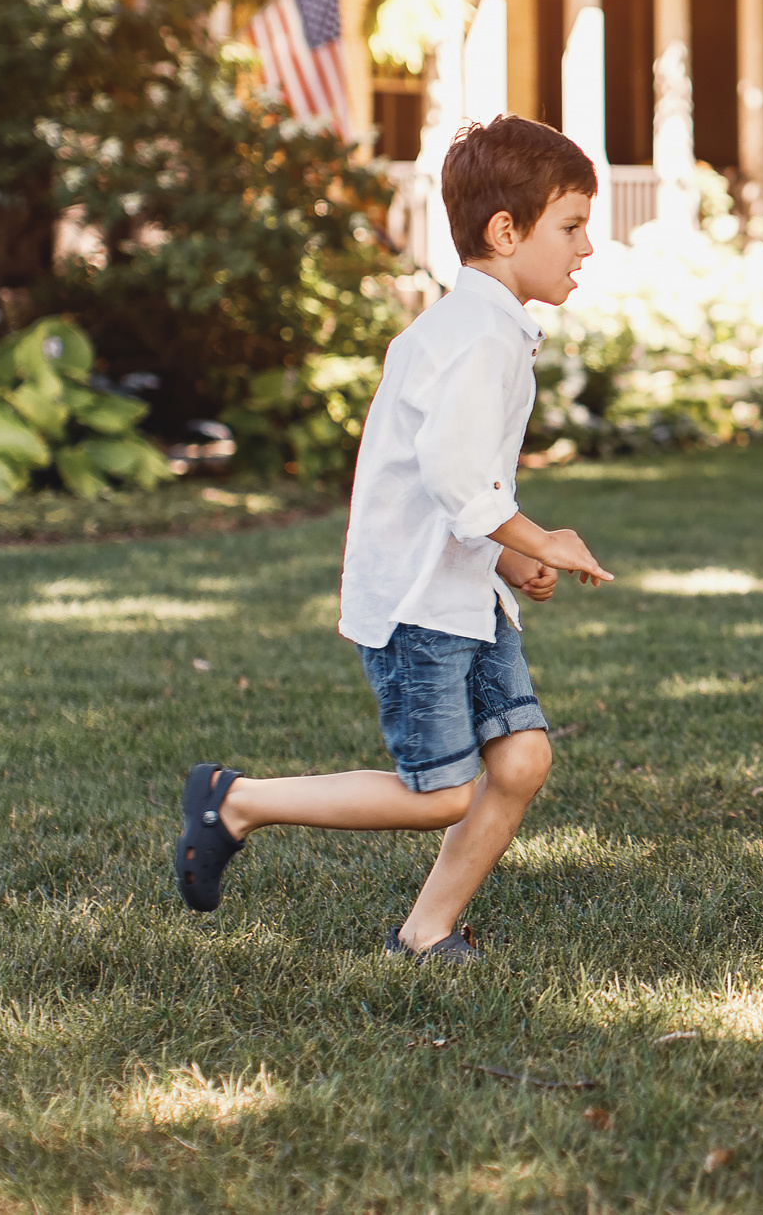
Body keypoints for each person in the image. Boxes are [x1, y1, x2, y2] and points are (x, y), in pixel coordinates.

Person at [172, 116, 612, 959]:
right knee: (441, 793)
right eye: (571, 226)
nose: (586, 246)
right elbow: (454, 476)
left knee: (519, 761)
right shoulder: (477, 337)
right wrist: (539, 537)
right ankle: (236, 800)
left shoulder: (488, 330)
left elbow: (461, 480)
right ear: (506, 231)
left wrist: (510, 556)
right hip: (419, 608)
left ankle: (424, 932)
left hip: (462, 596)